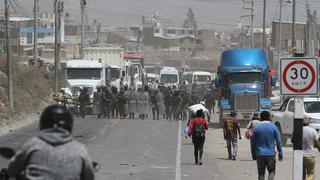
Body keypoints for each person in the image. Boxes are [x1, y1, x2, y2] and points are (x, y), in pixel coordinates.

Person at [7, 104, 94, 180]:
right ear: (69, 124)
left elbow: (12, 170)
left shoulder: (32, 145)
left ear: (43, 122)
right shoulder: (80, 149)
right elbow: (89, 176)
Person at [251, 111, 283, 180]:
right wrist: (280, 153)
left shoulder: (256, 128)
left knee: (261, 173)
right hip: (270, 154)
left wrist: (253, 154)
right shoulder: (273, 127)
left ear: (260, 118)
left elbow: (253, 143)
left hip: (259, 154)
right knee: (272, 171)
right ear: (269, 117)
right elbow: (279, 142)